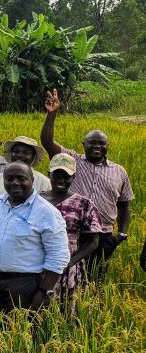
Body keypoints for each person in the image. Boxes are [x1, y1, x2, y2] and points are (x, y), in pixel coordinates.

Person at [41, 88, 133, 274]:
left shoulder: (119, 171)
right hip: (72, 231)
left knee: (96, 278)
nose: (97, 146)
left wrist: (121, 234)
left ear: (107, 146)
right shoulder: (72, 160)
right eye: (92, 142)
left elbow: (124, 205)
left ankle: (89, 305)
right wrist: (52, 115)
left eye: (101, 143)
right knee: (64, 274)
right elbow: (47, 142)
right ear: (84, 144)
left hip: (103, 235)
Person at [0, 162, 69, 313]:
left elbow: (58, 257)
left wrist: (44, 291)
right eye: (9, 178)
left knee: (19, 332)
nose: (15, 183)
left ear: (32, 180)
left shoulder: (47, 212)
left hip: (25, 285)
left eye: (21, 178)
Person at [40, 153, 103, 298]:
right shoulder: (37, 200)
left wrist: (69, 263)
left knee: (68, 312)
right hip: (38, 265)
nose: (61, 179)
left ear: (73, 177)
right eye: (57, 174)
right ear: (48, 174)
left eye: (66, 176)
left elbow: (93, 242)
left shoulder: (84, 204)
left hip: (69, 268)